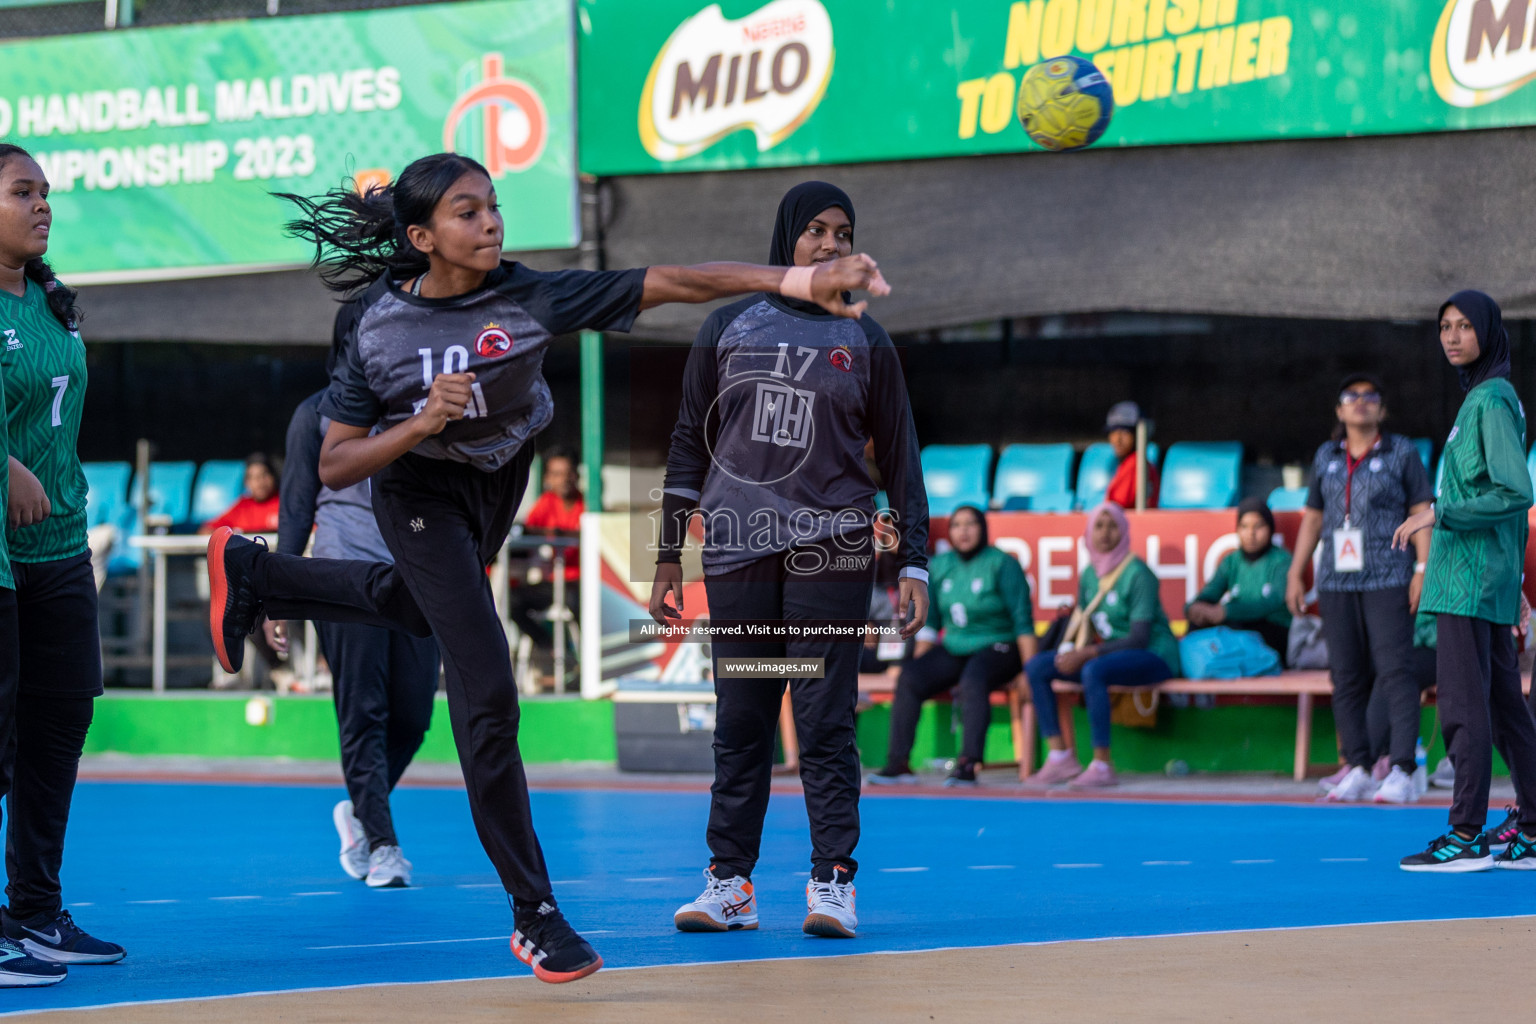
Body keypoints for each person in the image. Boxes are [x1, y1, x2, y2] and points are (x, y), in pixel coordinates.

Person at [203, 154, 891, 984]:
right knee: (487, 683)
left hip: (499, 481)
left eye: (493, 206)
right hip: (415, 489)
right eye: (468, 212)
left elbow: (672, 279)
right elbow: (341, 460)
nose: (491, 222)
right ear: (422, 237)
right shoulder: (373, 323)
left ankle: (260, 575)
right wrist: (420, 423)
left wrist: (792, 280)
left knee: (420, 611)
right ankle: (535, 914)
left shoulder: (531, 295)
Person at [650, 182, 928, 940]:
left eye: (843, 232)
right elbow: (686, 444)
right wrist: (668, 554)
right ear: (787, 240)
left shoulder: (869, 342)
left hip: (830, 554)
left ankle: (833, 882)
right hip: (737, 555)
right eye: (816, 231)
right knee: (742, 720)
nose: (831, 244)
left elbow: (901, 460)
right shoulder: (729, 324)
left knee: (822, 718)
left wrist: (914, 561)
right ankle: (730, 885)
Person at [0, 143, 123, 984]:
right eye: (21, 191)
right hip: (1, 556)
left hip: (60, 550)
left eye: (45, 192)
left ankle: (35, 912)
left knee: (57, 730)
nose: (42, 204)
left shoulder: (51, 302)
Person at [273, 365, 441, 889]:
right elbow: (297, 507)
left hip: (416, 579)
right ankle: (383, 845)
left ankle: (361, 811)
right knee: (364, 712)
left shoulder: (420, 406)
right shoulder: (314, 414)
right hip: (343, 575)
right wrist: (278, 592)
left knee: (413, 717)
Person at [1395, 290, 1536, 872]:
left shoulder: (1490, 401)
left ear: (1489, 332)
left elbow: (1515, 492)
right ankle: (1531, 827)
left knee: (1463, 704)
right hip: (1481, 580)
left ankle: (1466, 833)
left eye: (1464, 326)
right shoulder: (1485, 398)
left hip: (1466, 583)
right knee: (1505, 706)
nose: (1451, 336)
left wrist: (1439, 511)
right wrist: (1516, 585)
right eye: (1444, 327)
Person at [1285, 373, 1433, 804]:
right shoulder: (1325, 456)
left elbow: (1421, 510)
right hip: (1335, 579)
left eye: (1371, 396)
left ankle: (1402, 767)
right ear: (1339, 410)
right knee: (1346, 675)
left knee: (1395, 671)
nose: (1362, 402)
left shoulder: (1401, 452)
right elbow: (1313, 518)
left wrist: (1421, 568)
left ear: (1382, 409)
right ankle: (1359, 765)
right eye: (1352, 396)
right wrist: (1297, 572)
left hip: (1389, 575)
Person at [868, 505, 1035, 787]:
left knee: (973, 680)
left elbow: (1023, 622)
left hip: (999, 646)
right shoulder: (941, 566)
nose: (964, 530)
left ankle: (968, 764)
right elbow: (930, 622)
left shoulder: (1002, 563)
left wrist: (1029, 671)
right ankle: (899, 764)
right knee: (910, 677)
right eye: (957, 525)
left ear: (982, 528)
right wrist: (922, 665)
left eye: (971, 524)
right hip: (956, 645)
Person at [1023, 502, 1180, 787]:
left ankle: (1102, 765)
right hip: (1109, 656)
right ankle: (1060, 757)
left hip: (1155, 656)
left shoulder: (1138, 573)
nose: (1105, 533)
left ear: (1123, 531)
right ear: (1088, 532)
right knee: (1038, 666)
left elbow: (1139, 638)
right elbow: (1085, 624)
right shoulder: (1088, 575)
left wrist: (1087, 653)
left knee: (1093, 671)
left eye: (1112, 526)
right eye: (1099, 525)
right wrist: (1070, 652)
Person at [1186, 497, 1292, 662]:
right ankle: (1191, 677)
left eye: (1258, 526)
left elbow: (1273, 602)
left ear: (1270, 528)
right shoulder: (1231, 561)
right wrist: (1195, 607)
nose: (1251, 534)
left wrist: (1226, 611)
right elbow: (1210, 593)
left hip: (1273, 628)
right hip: (1238, 624)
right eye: (1244, 527)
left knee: (1239, 631)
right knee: (1197, 625)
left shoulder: (1282, 560)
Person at [506, 447, 582, 665]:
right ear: (548, 478)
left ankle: (587, 665)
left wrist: (556, 534)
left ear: (576, 475)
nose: (564, 479)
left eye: (568, 473)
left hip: (578, 582)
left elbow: (591, 534)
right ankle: (552, 651)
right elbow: (527, 531)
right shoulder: (545, 503)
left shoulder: (586, 503)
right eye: (557, 474)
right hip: (551, 582)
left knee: (583, 605)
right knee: (512, 601)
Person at [199, 453, 280, 534]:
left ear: (273, 477)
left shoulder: (284, 504)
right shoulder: (242, 507)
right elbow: (207, 530)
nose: (259, 482)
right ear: (247, 482)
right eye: (253, 477)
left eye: (264, 475)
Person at [1104, 401, 1158, 509]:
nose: (1117, 439)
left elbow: (1115, 509)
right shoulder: (1129, 463)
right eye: (1113, 431)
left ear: (1138, 434)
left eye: (1124, 432)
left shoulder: (1135, 464)